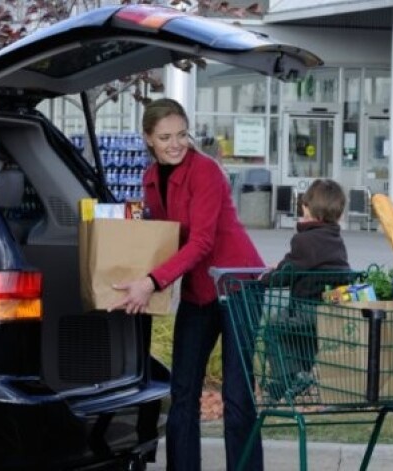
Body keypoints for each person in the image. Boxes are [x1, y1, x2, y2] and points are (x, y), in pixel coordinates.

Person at [109, 98, 264, 471]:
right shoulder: (149, 179)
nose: (175, 143)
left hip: (237, 286)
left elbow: (202, 242)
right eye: (165, 137)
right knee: (182, 393)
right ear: (149, 139)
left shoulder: (206, 171)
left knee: (238, 397)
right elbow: (164, 239)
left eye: (181, 134)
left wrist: (151, 281)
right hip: (199, 290)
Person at [260, 179, 350, 400]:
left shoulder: (304, 240)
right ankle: (301, 375)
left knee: (273, 327)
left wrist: (266, 278)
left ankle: (288, 378)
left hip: (306, 309)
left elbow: (288, 272)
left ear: (308, 209)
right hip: (329, 309)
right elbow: (303, 264)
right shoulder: (335, 239)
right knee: (301, 338)